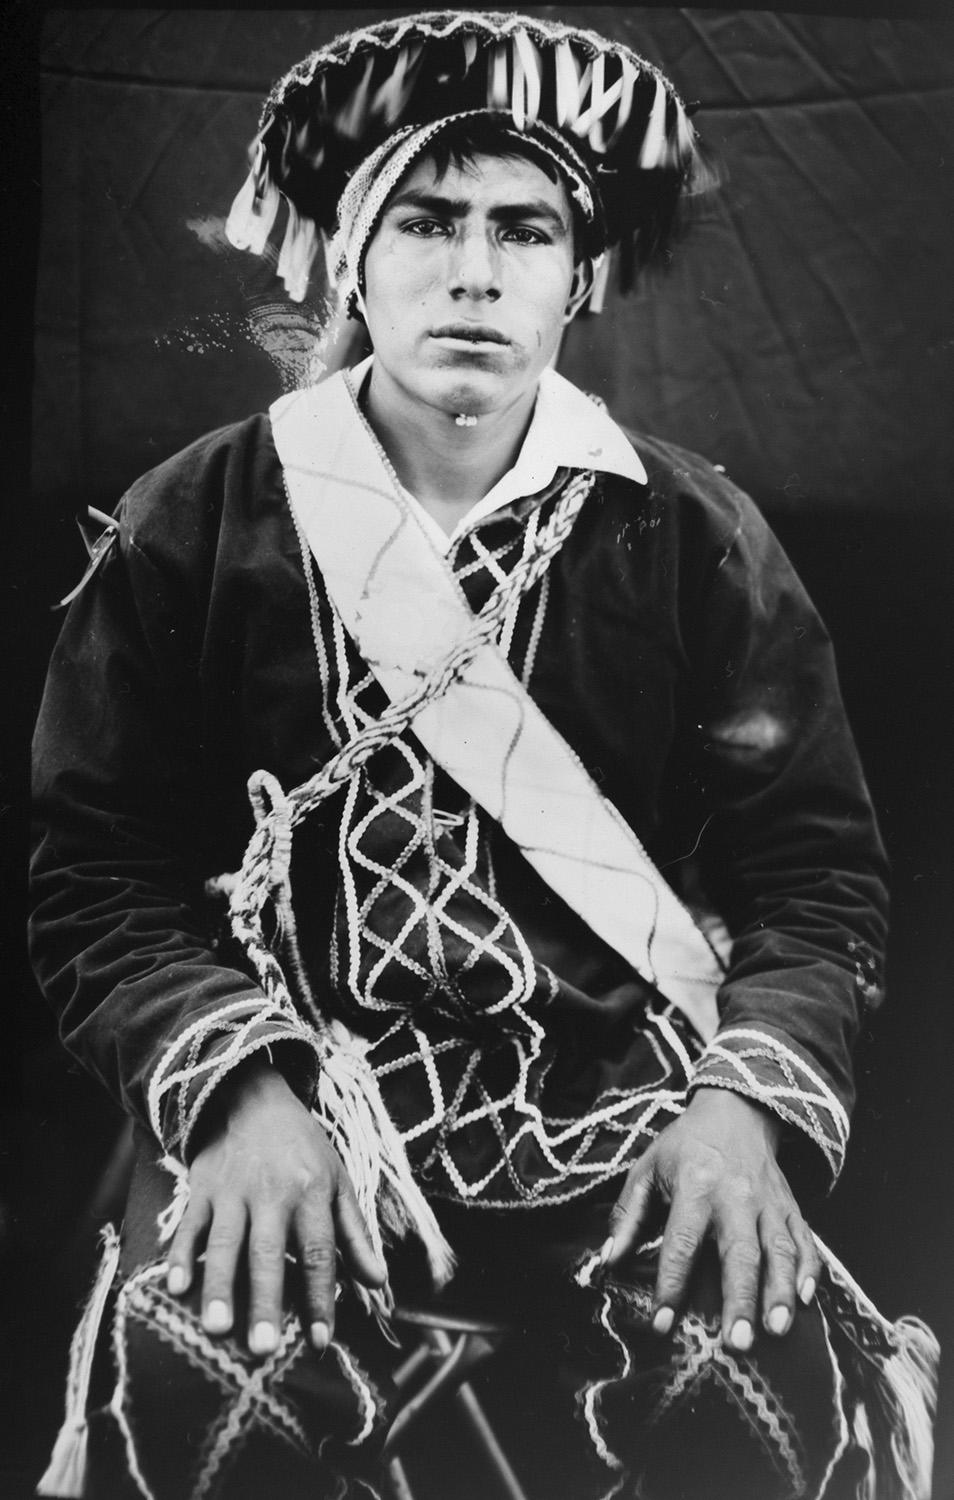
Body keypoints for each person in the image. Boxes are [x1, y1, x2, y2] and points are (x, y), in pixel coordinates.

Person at [30, 12, 937, 1500]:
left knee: (752, 1381)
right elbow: (97, 875)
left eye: (523, 231)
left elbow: (814, 879)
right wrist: (238, 1097)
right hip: (305, 1091)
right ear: (346, 255)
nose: (473, 271)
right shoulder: (191, 523)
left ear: (578, 277)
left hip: (626, 1094)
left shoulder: (693, 534)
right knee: (205, 1373)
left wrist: (738, 1107)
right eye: (425, 222)